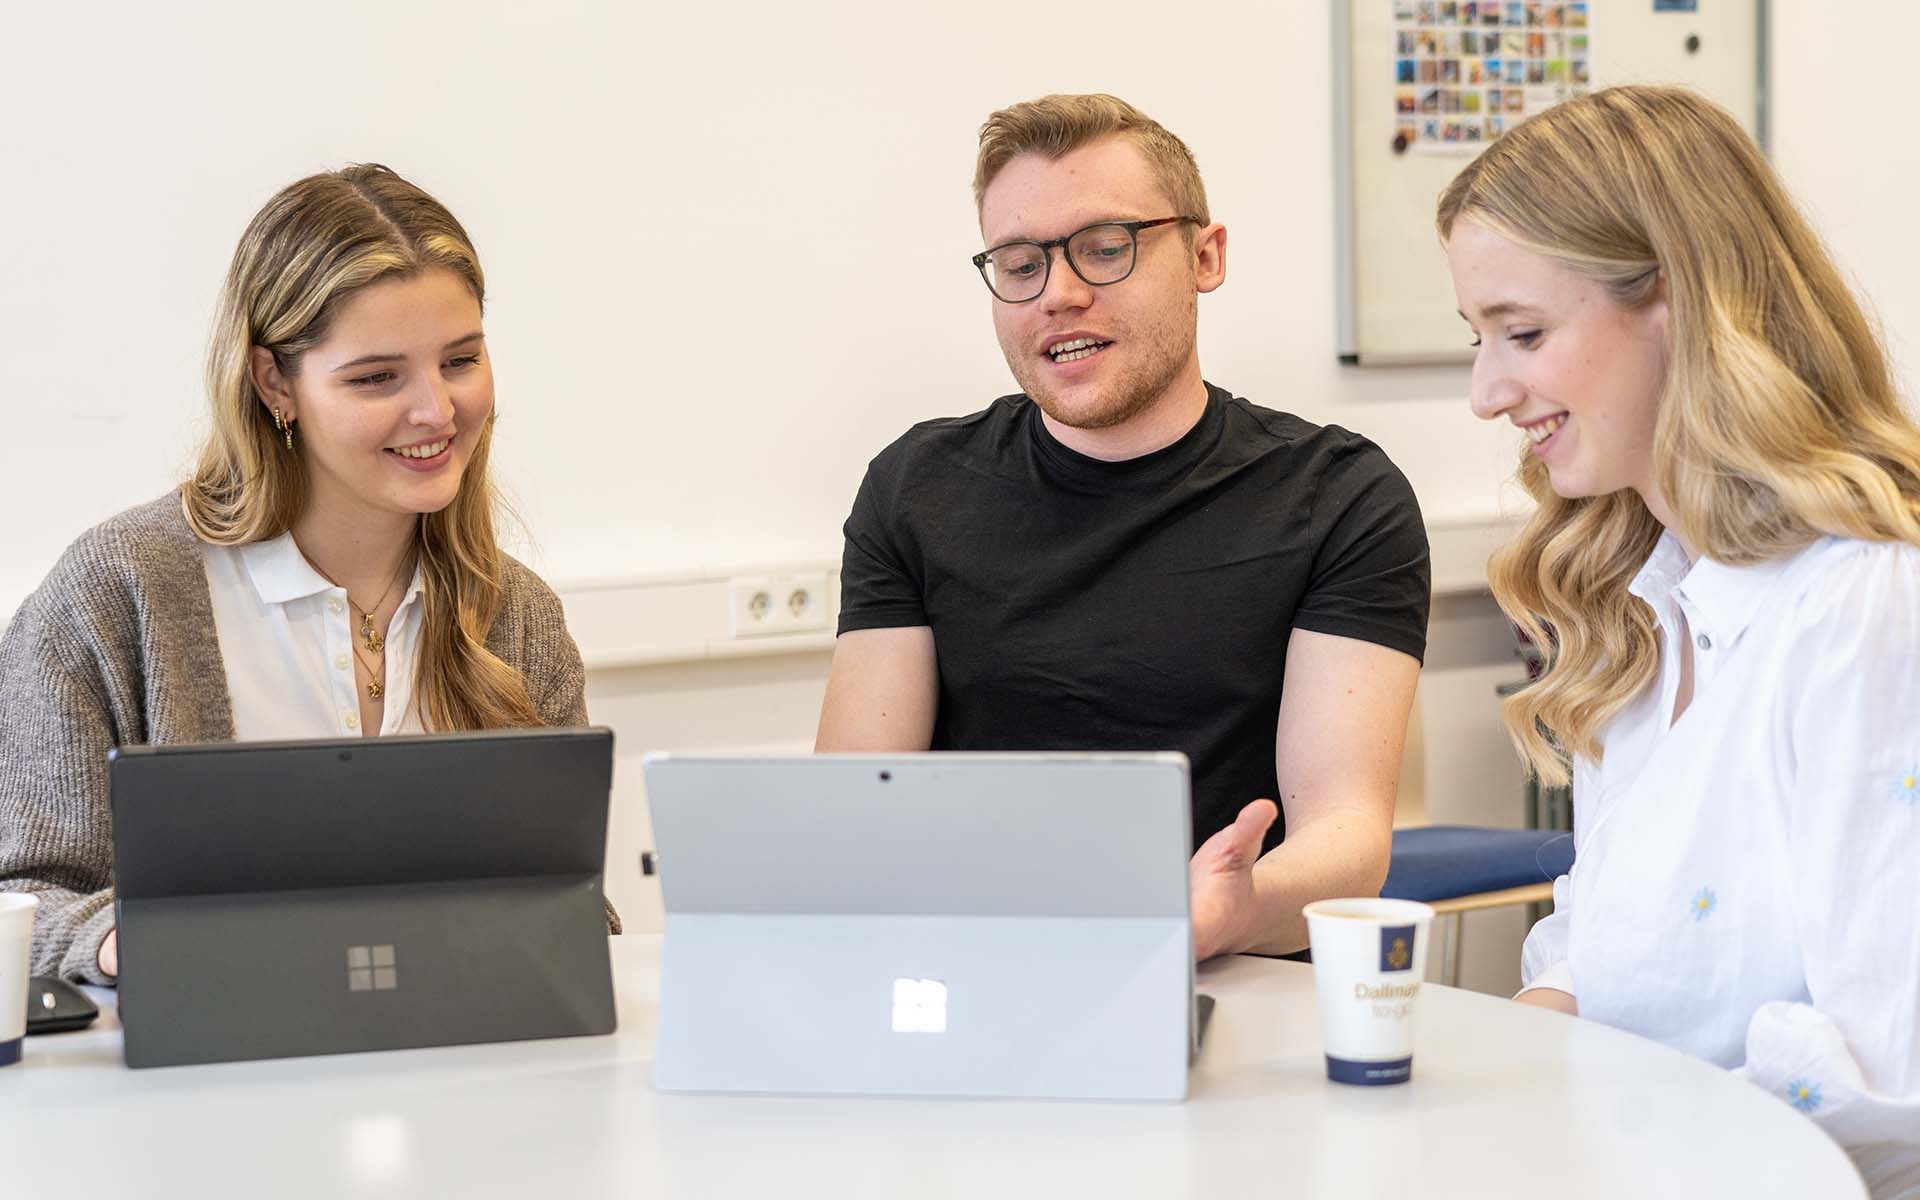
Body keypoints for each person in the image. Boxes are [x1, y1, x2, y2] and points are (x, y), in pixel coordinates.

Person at [816, 94, 1431, 960]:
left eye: (1106, 250)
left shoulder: (1338, 495)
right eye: (1021, 264)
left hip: (1232, 977)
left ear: (1205, 256)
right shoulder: (916, 487)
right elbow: (851, 811)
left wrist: (1219, 913)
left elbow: (1347, 837)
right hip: (973, 969)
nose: (1060, 296)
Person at [1440, 85, 1919, 1195]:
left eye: (1523, 334)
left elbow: (1886, 1087)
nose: (1485, 391)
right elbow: (1595, 963)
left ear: (1679, 301)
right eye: (1478, 339)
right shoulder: (1641, 613)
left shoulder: (1864, 611)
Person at [0, 164, 615, 984]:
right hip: (199, 1091)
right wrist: (132, 941)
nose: (436, 411)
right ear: (272, 384)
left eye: (460, 361)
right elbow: (20, 898)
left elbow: (577, 905)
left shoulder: (517, 615)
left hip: (457, 1078)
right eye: (376, 378)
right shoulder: (121, 592)